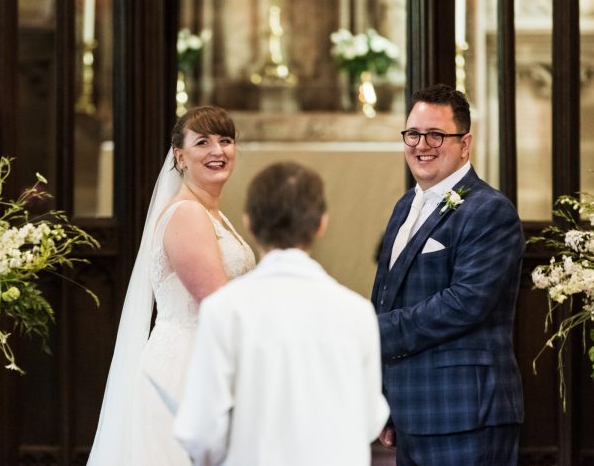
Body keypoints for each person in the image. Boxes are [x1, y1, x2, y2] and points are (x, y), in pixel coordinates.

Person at [173, 162, 389, 466]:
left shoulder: (225, 310)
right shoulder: (357, 312)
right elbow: (370, 419)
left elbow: (200, 430)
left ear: (248, 222)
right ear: (321, 224)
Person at [87, 106, 256, 466]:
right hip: (188, 364)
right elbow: (219, 303)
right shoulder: (188, 215)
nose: (218, 151)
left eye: (226, 141)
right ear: (180, 157)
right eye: (203, 142)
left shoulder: (213, 213)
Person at [371, 84, 524, 466]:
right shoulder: (406, 204)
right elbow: (387, 294)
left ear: (465, 143)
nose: (423, 144)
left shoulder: (490, 210)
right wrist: (386, 397)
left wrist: (372, 329)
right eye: (413, 134)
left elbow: (465, 304)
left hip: (465, 411)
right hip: (414, 410)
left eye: (437, 134)